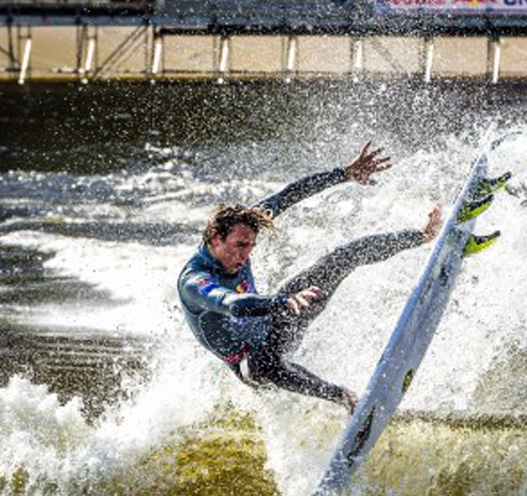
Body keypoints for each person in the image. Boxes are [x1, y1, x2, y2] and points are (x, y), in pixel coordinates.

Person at [177, 142, 443, 410]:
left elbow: (289, 195)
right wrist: (282, 302)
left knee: (342, 257)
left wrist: (346, 173)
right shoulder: (194, 281)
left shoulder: (244, 226)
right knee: (263, 364)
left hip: (275, 323)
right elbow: (233, 304)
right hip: (250, 365)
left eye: (251, 247)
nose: (245, 256)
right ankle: (345, 398)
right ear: (214, 239)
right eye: (239, 246)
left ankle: (423, 235)